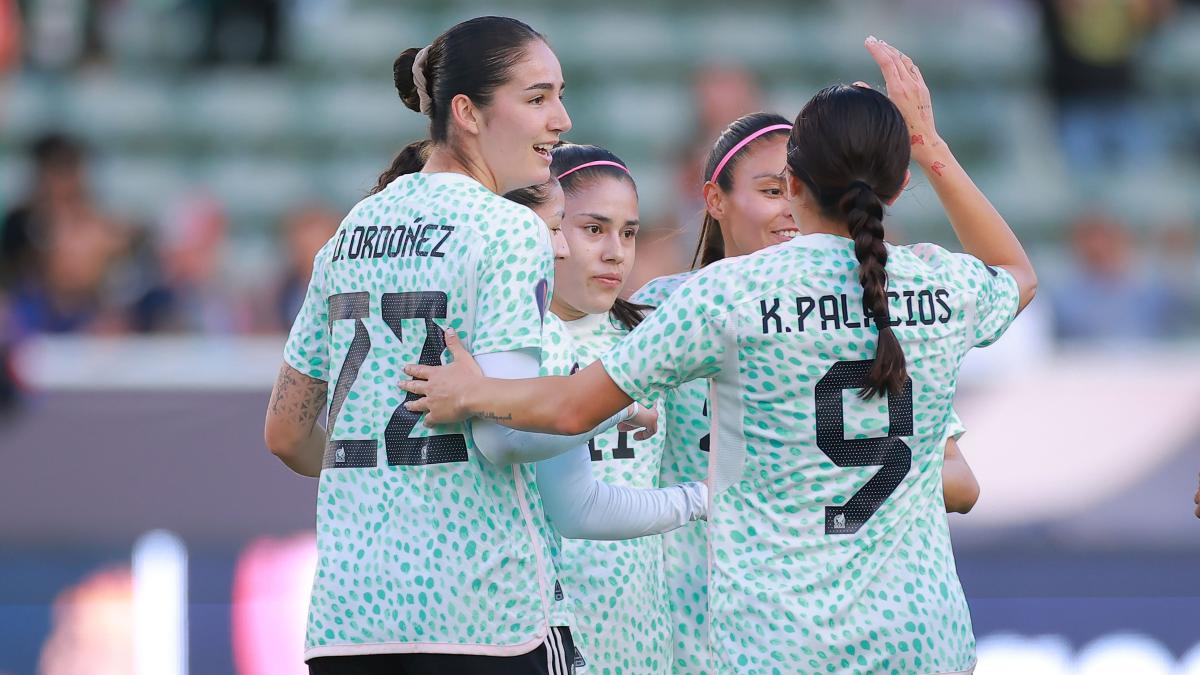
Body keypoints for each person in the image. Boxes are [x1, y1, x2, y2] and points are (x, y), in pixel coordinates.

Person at [399, 37, 1037, 674]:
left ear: (793, 181)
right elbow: (1017, 272)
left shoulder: (723, 297)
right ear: (900, 184)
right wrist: (929, 143)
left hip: (781, 641)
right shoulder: (940, 286)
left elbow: (570, 409)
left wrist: (476, 393)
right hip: (922, 638)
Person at [262, 17, 704, 674]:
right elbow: (505, 436)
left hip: (349, 619)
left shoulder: (355, 226)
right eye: (537, 97)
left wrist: (385, 474)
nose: (561, 117)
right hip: (480, 613)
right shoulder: (504, 228)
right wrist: (608, 401)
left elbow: (286, 433)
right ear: (466, 112)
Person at [633, 110, 981, 675]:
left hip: (794, 630)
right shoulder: (660, 309)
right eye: (769, 190)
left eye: (789, 188)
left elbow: (962, 481)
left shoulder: (865, 298)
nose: (788, 207)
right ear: (713, 200)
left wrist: (828, 475)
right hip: (695, 622)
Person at [538, 144, 671, 673]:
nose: (616, 251)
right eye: (593, 229)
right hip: (533, 625)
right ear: (545, 227)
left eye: (629, 232)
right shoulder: (506, 342)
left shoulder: (660, 338)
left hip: (640, 640)